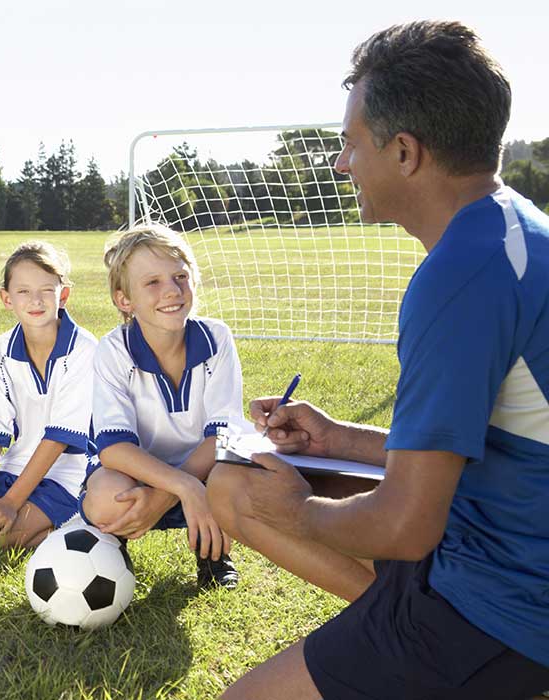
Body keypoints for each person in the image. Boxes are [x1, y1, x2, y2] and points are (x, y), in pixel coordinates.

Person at [206, 20, 549, 700]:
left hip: (505, 603)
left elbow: (404, 524)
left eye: (349, 144)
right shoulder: (516, 227)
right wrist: (339, 439)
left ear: (404, 152)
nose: (341, 164)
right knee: (233, 487)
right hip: (501, 540)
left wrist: (300, 510)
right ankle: (383, 645)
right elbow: (496, 447)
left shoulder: (462, 274)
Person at [83, 225, 244, 589]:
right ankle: (112, 547)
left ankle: (213, 554)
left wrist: (177, 490)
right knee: (108, 498)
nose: (171, 290)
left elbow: (224, 439)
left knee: (236, 480)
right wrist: (182, 487)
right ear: (125, 300)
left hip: (206, 466)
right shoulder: (113, 350)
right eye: (152, 283)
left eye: (180, 277)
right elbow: (113, 449)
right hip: (138, 470)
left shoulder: (216, 338)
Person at [0, 241, 97, 549]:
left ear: (64, 295)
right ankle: (41, 524)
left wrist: (10, 503)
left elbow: (59, 438)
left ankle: (83, 523)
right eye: (23, 291)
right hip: (16, 467)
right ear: (6, 299)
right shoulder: (1, 350)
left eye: (46, 290)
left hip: (71, 473)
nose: (35, 300)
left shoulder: (85, 350)